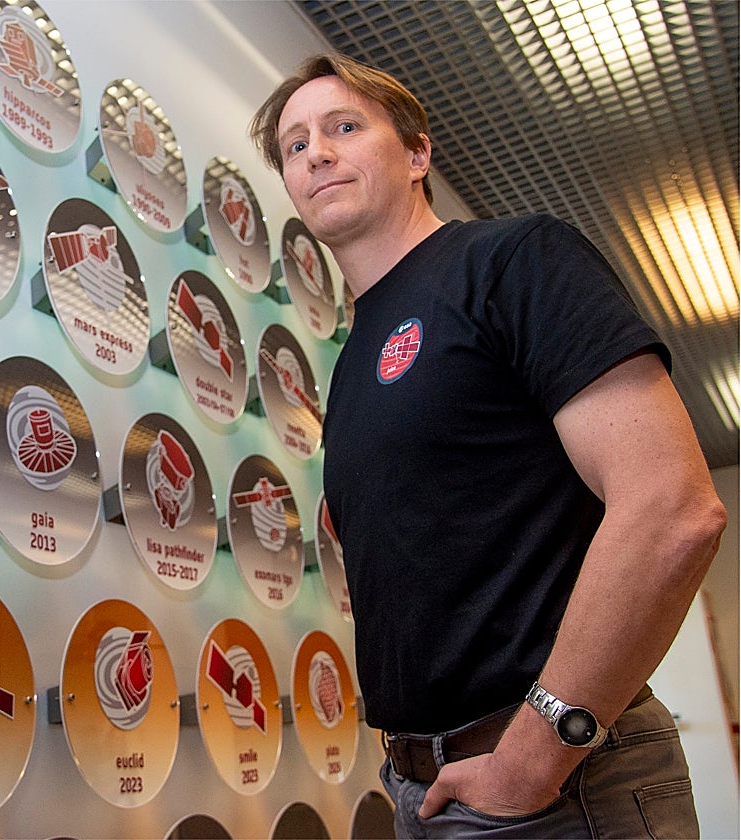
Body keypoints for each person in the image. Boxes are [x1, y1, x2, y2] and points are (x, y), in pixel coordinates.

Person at [250, 53, 727, 838]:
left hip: (554, 786)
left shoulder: (513, 260)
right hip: (425, 789)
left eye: (344, 127)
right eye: (295, 146)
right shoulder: (351, 359)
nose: (317, 154)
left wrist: (536, 756)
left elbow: (673, 508)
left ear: (417, 154)